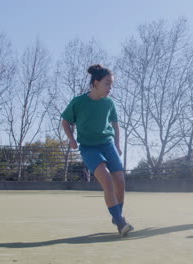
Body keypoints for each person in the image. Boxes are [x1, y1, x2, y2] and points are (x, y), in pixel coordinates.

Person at [61, 64, 133, 236]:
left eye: (112, 84)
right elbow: (65, 121)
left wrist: (117, 145)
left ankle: (118, 217)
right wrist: (71, 139)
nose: (110, 88)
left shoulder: (109, 103)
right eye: (107, 83)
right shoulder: (78, 102)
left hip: (108, 144)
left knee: (121, 182)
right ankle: (120, 222)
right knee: (107, 182)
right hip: (89, 147)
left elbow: (116, 126)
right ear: (96, 83)